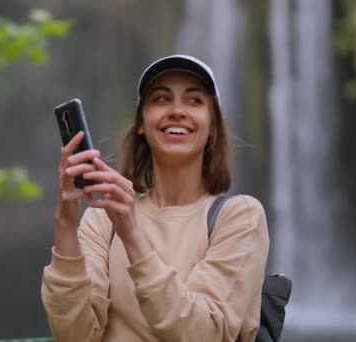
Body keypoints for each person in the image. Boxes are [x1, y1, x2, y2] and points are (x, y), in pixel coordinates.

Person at [41, 54, 269, 342]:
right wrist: (65, 220)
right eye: (161, 99)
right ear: (141, 124)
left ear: (212, 127)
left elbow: (206, 333)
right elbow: (73, 334)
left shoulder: (240, 216)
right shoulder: (103, 220)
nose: (176, 110)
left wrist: (132, 235)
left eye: (194, 100)